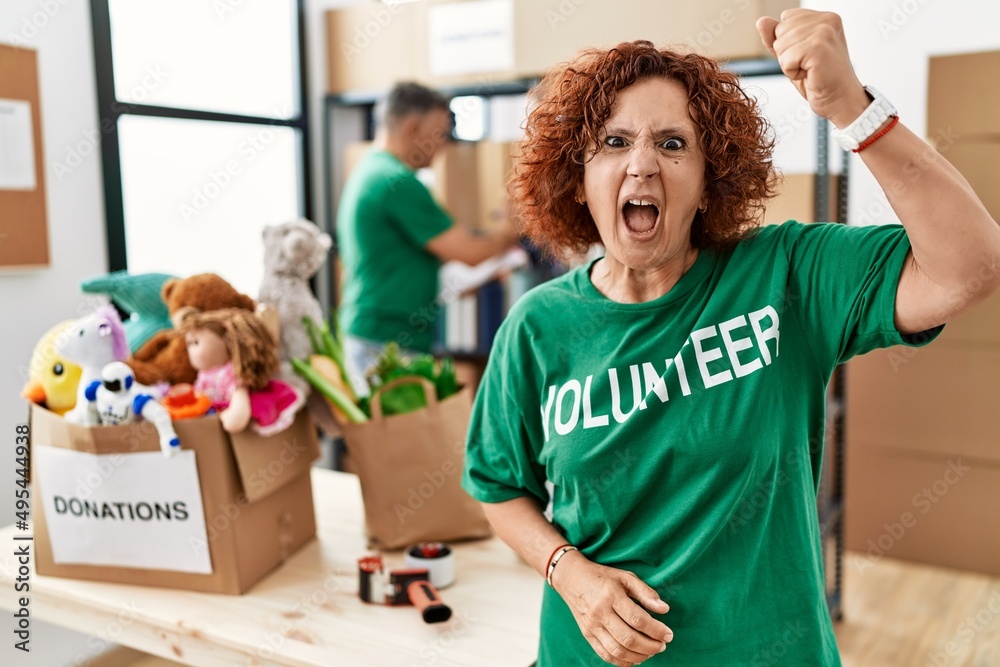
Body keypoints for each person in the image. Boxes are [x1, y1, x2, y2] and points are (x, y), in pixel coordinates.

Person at [462, 10, 1000, 667]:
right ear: (577, 177)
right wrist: (569, 572)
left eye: (672, 143)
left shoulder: (783, 276)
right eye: (613, 142)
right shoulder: (537, 327)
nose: (642, 166)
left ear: (707, 180)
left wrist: (853, 110)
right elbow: (496, 484)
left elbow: (968, 266)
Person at [336, 82, 521, 395]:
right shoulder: (397, 182)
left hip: (375, 333)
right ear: (413, 127)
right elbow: (469, 251)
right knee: (401, 442)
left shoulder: (369, 170)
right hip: (385, 340)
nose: (444, 147)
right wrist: (512, 229)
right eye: (440, 133)